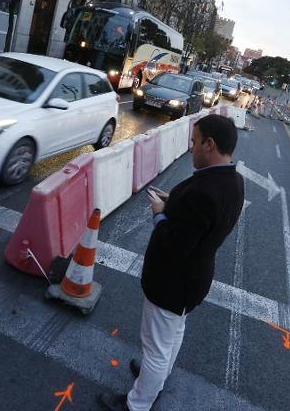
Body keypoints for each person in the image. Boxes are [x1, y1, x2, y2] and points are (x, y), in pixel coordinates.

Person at [99, 115, 245, 411]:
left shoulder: (205, 192)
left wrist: (159, 213)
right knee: (172, 335)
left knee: (154, 348)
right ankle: (159, 378)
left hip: (172, 282)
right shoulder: (234, 180)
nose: (191, 148)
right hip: (193, 281)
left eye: (195, 142)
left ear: (210, 144)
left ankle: (136, 404)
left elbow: (177, 245)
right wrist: (175, 202)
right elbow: (202, 222)